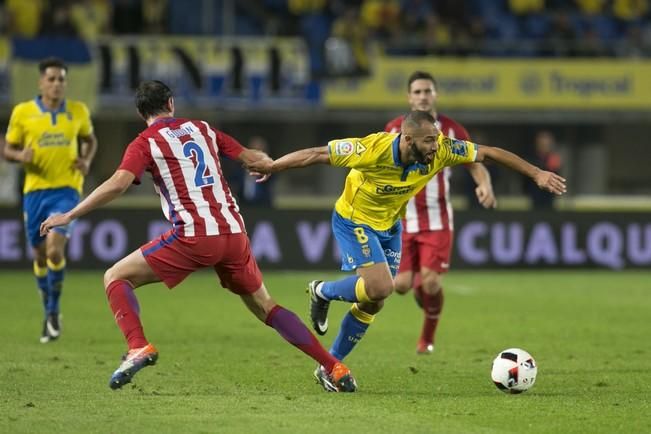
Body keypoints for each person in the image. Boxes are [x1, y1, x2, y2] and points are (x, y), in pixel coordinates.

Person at [40, 80, 357, 392]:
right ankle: (334, 366)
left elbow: (119, 183)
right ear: (171, 104)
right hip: (234, 233)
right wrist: (271, 167)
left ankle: (137, 345)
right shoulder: (202, 128)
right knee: (266, 306)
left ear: (141, 114)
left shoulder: (145, 141)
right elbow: (253, 158)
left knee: (115, 277)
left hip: (195, 235)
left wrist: (69, 215)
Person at [248, 110, 566, 391]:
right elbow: (317, 153)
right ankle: (324, 291)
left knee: (376, 302)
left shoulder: (441, 150)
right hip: (353, 220)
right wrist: (273, 166)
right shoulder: (372, 149)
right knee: (381, 286)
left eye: (436, 139)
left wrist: (537, 173)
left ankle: (329, 365)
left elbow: (490, 154)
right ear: (406, 138)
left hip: (390, 225)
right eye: (427, 141)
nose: (434, 147)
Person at [384, 71, 497, 355]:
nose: (423, 96)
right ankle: (423, 291)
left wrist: (484, 184)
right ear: (409, 97)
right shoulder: (394, 129)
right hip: (403, 219)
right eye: (418, 92)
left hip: (437, 218)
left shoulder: (452, 130)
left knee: (431, 282)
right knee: (399, 286)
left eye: (427, 91)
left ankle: (427, 339)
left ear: (435, 95)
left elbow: (475, 162)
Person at [3, 57, 98, 343]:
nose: (57, 84)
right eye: (52, 79)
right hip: (35, 192)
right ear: (41, 82)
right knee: (40, 256)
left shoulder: (78, 111)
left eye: (61, 79)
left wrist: (86, 160)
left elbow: (90, 140)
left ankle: (54, 311)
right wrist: (20, 156)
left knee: (55, 251)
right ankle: (48, 311)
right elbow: (8, 149)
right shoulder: (23, 112)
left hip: (67, 191)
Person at [527, 130, 561, 210]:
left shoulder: (553, 158)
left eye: (546, 144)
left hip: (549, 197)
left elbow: (557, 175)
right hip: (533, 196)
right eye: (541, 143)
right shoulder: (531, 158)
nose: (544, 146)